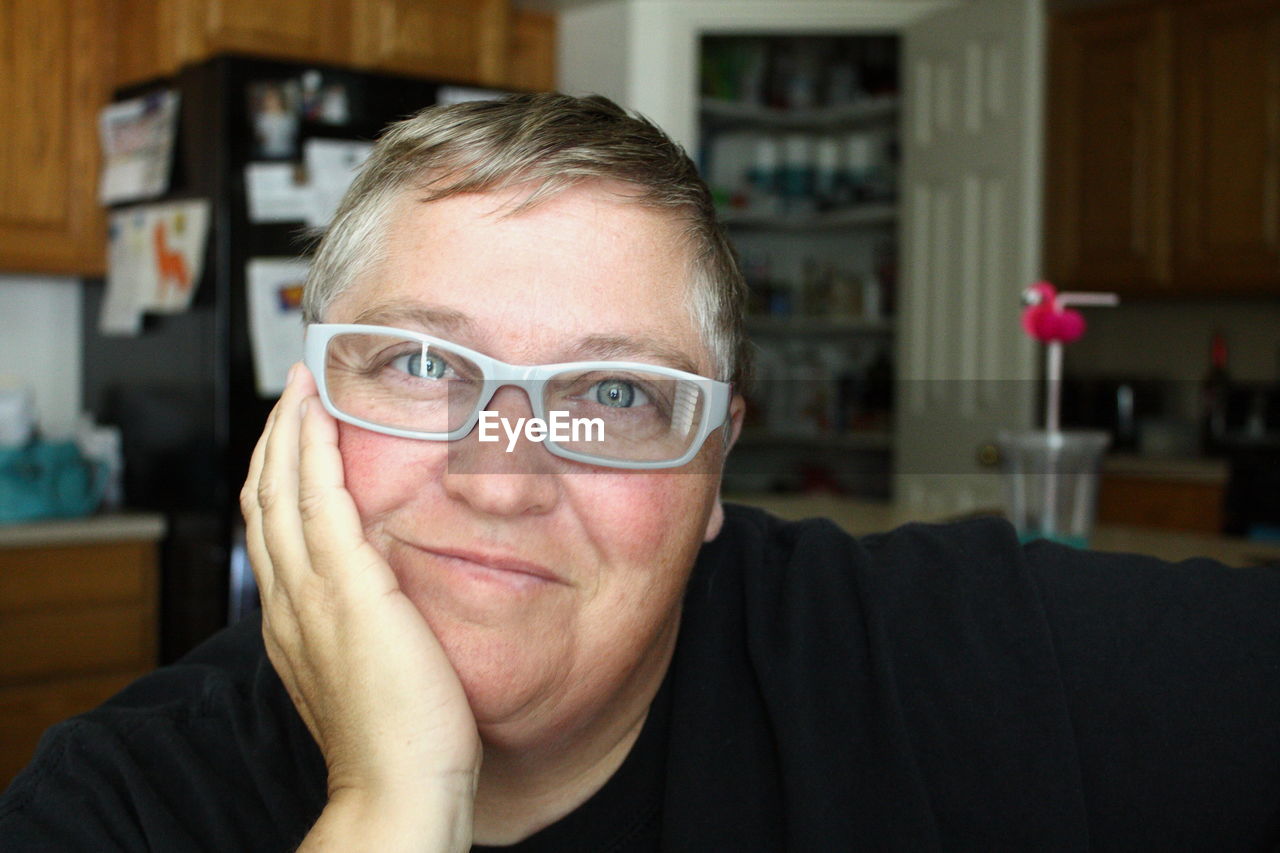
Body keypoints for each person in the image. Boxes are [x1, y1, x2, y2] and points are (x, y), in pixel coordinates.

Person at [2, 93, 1279, 851]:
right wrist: (393, 799)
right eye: (423, 363)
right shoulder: (124, 808)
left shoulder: (943, 663)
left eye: (614, 394)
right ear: (304, 411)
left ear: (717, 463)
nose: (501, 477)